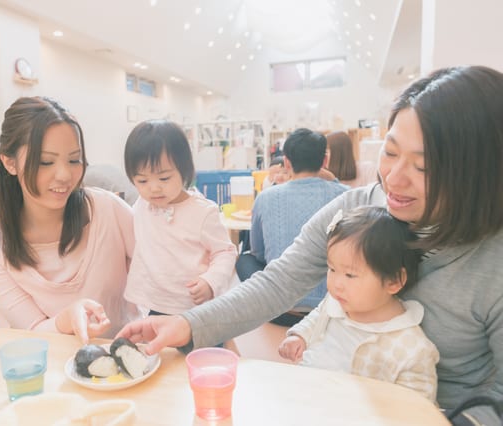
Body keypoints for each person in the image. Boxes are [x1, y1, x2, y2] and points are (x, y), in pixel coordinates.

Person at [117, 65, 503, 424]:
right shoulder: (360, 208)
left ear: (479, 174)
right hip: (330, 401)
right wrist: (187, 323)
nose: (394, 179)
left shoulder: (492, 258)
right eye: (389, 152)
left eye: (424, 167)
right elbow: (280, 280)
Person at [0, 96, 140, 342]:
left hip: (133, 362)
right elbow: (32, 329)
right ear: (9, 163)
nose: (64, 175)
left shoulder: (108, 209)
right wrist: (65, 320)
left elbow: (159, 264)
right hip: (57, 370)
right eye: (45, 162)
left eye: (74, 160)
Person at [278, 206, 439, 402]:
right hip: (310, 396)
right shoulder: (340, 300)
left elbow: (418, 411)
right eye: (332, 269)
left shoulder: (411, 350)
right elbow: (318, 316)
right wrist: (300, 336)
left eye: (350, 275)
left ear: (394, 280)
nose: (336, 283)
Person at [123, 119, 237, 317]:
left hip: (194, 306)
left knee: (201, 347)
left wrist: (210, 281)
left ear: (183, 170)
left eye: (164, 178)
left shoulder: (202, 212)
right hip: (154, 303)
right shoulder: (141, 205)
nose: (154, 188)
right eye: (142, 180)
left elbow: (225, 252)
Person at [236, 128, 348, 326]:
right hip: (331, 309)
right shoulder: (345, 195)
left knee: (245, 258)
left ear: (286, 162)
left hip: (279, 310)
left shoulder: (266, 197)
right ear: (325, 161)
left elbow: (259, 254)